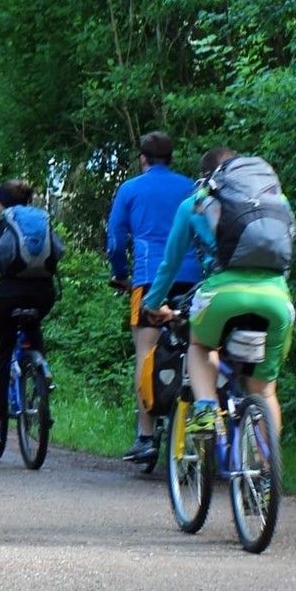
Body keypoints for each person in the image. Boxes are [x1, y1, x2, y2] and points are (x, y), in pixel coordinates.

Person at [142, 147, 296, 449]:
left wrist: (153, 304)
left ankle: (206, 410)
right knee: (265, 391)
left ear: (207, 176)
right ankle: (266, 466)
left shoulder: (196, 203)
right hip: (276, 299)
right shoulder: (277, 200)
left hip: (222, 295)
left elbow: (170, 264)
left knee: (200, 346)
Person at [106, 131, 201, 462]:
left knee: (145, 352)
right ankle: (198, 431)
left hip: (149, 278)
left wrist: (120, 273)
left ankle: (146, 437)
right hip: (193, 279)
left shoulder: (130, 188)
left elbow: (116, 239)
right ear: (171, 158)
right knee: (197, 349)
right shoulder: (191, 187)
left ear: (143, 159)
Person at [0, 180, 62, 445]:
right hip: (44, 293)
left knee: (2, 353)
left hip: (10, 294)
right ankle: (40, 368)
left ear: (2, 202)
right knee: (32, 327)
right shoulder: (42, 221)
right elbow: (58, 252)